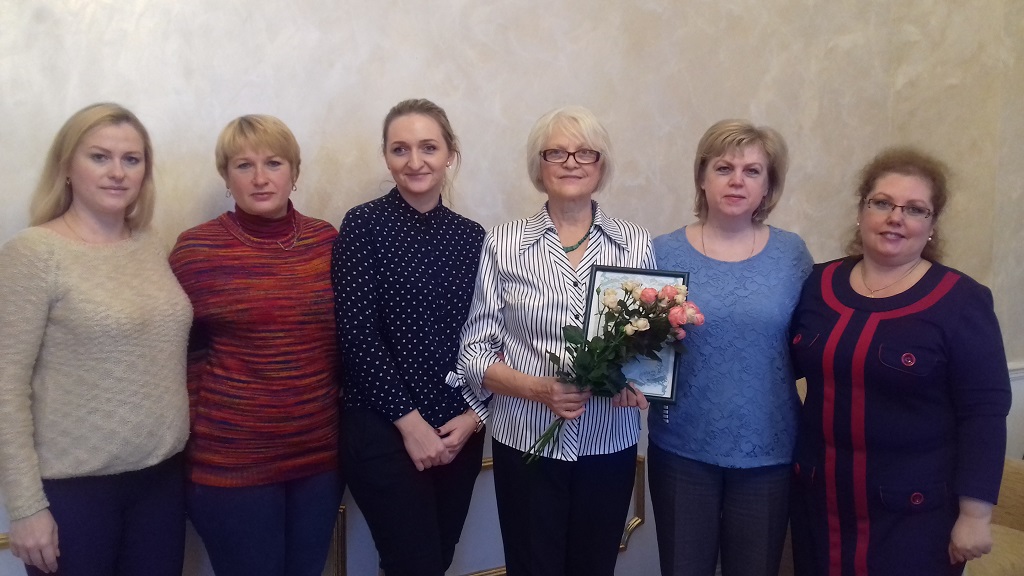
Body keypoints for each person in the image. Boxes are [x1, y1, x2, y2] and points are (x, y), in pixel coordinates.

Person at [788, 147, 1012, 576]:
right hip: (820, 502)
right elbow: (778, 366)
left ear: (931, 225)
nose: (896, 218)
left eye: (915, 209)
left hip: (915, 514)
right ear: (861, 211)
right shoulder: (818, 283)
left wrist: (975, 514)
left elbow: (984, 413)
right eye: (883, 203)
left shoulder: (962, 301)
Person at [457, 106, 651, 576]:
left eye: (585, 153)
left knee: (594, 567)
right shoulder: (503, 244)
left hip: (609, 442)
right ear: (539, 165)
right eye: (556, 153)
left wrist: (639, 380)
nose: (571, 163)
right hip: (526, 442)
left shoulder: (635, 243)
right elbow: (474, 354)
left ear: (601, 165)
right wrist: (539, 389)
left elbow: (647, 343)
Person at [0, 103, 192, 575]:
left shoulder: (148, 244)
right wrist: (25, 508)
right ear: (67, 166)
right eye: (100, 157)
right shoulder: (34, 253)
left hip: (162, 480)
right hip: (74, 492)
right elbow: (6, 387)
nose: (117, 172)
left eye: (132, 159)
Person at [169, 115, 341, 576]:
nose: (260, 178)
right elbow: (172, 358)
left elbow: (350, 342)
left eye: (274, 163)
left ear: (295, 172)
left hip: (318, 459)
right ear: (226, 177)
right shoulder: (197, 251)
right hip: (231, 463)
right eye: (244, 165)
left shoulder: (326, 241)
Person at [648, 119, 813, 576]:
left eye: (752, 171)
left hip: (770, 452)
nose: (737, 180)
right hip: (681, 448)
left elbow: (812, 343)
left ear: (768, 186)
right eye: (724, 168)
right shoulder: (661, 253)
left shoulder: (792, 255)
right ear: (702, 177)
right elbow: (639, 347)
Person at [332, 98, 485, 576]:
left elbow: (489, 335)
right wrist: (410, 424)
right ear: (386, 156)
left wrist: (474, 417)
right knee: (412, 565)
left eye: (428, 147)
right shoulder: (362, 226)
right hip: (383, 426)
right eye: (400, 149)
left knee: (437, 561)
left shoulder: (472, 237)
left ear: (450, 154)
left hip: (458, 430)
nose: (415, 161)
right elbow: (357, 336)